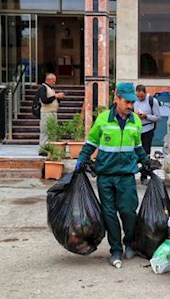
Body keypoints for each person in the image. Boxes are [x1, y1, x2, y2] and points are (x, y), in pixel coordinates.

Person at [75, 82, 151, 268]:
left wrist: (146, 162)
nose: (130, 106)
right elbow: (91, 142)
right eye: (127, 102)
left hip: (126, 176)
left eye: (132, 103)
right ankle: (115, 249)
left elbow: (138, 147)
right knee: (109, 214)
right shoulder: (103, 120)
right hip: (105, 176)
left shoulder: (136, 121)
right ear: (116, 99)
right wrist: (82, 159)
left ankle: (130, 243)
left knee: (128, 212)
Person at [134, 85, 161, 184]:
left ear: (145, 93)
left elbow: (158, 117)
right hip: (136, 130)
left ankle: (144, 176)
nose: (140, 98)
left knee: (145, 153)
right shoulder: (134, 101)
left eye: (142, 97)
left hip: (148, 129)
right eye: (138, 97)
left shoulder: (152, 101)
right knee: (134, 153)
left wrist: (146, 116)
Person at [37, 73, 65, 151]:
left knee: (52, 131)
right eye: (53, 81)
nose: (54, 83)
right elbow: (44, 100)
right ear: (48, 80)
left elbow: (52, 99)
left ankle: (51, 148)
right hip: (46, 112)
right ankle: (43, 149)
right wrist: (55, 96)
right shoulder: (43, 88)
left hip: (53, 112)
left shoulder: (51, 89)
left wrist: (58, 97)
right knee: (45, 131)